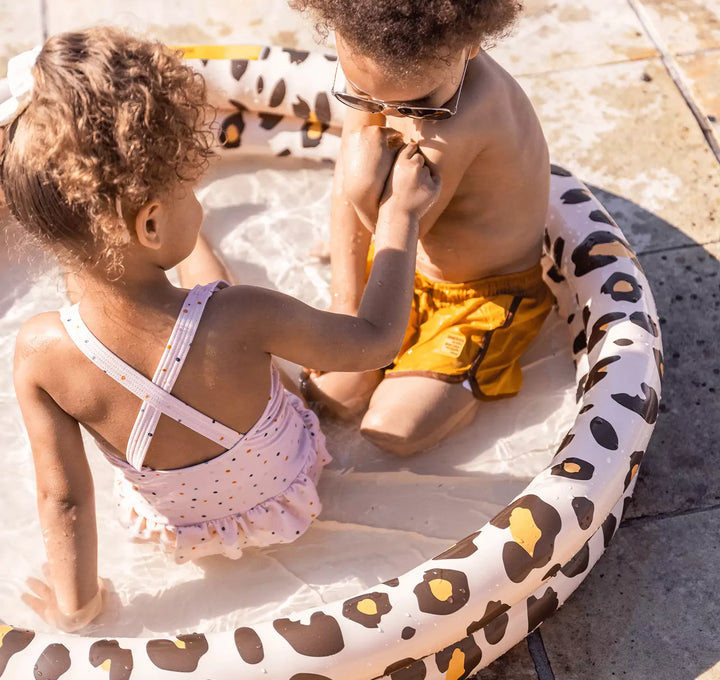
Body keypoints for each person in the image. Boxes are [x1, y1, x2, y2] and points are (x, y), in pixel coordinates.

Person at [0, 27, 439, 631]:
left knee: (191, 306)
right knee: (216, 308)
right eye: (190, 195)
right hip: (289, 492)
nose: (197, 200)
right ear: (151, 222)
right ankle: (183, 264)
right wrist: (400, 217)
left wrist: (79, 612)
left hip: (179, 530)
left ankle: (147, 260)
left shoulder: (39, 353)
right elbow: (372, 341)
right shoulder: (246, 315)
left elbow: (65, 500)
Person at [293, 0, 555, 456]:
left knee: (391, 430)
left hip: (482, 296)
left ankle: (465, 383)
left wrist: (361, 191)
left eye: (418, 106)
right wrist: (346, 306)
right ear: (338, 36)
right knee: (327, 399)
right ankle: (394, 366)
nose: (392, 111)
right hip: (404, 272)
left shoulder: (463, 120)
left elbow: (399, 230)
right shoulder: (380, 72)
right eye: (364, 96)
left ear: (469, 47)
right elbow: (347, 192)